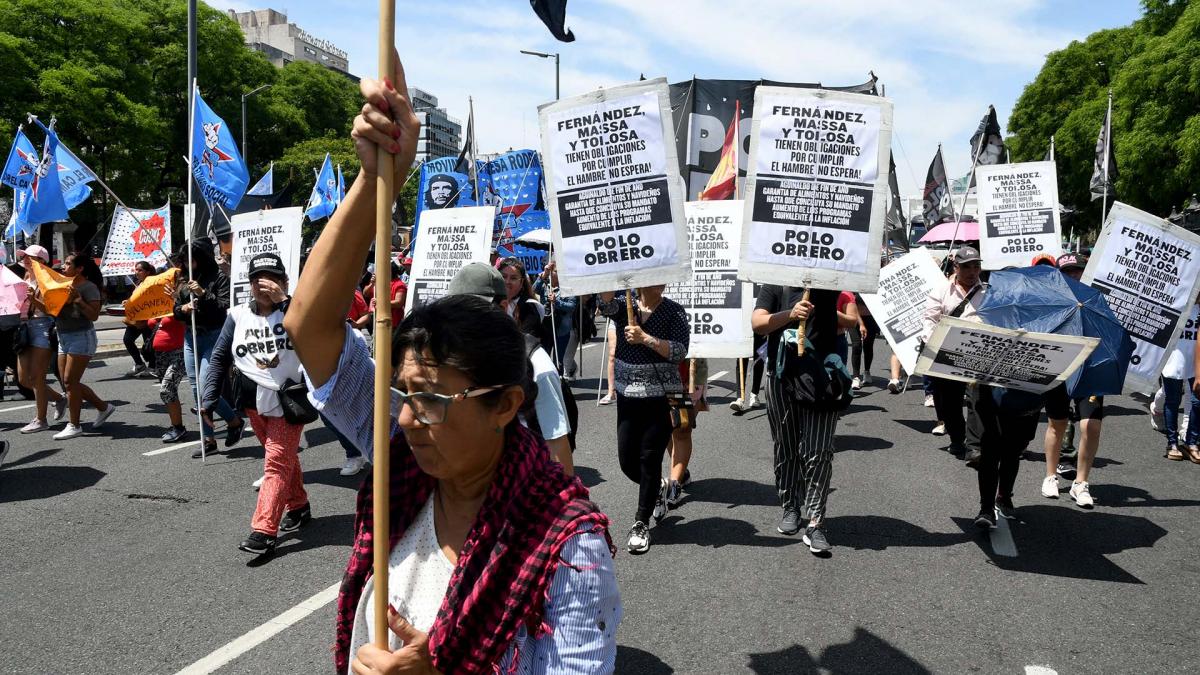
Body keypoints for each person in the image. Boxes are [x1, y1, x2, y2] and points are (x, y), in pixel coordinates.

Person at [285, 58, 619, 672]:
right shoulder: (402, 467)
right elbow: (308, 325)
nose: (408, 419)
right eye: (405, 393)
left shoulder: (568, 546)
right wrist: (376, 178)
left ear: (505, 404)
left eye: (434, 398)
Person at [204, 253, 311, 555]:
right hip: (253, 402)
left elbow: (315, 332)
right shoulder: (237, 315)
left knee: (275, 463)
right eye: (257, 279)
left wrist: (286, 301)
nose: (264, 285)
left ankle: (264, 530)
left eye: (273, 278)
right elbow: (220, 357)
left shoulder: (296, 311)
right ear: (249, 284)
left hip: (289, 401)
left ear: (284, 282)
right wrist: (209, 396)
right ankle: (300, 506)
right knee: (284, 456)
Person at [448, 262, 576, 476]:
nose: (463, 320)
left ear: (501, 307)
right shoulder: (450, 361)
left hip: (523, 488)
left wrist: (567, 505)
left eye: (473, 310)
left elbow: (557, 445)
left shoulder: (536, 365)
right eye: (455, 310)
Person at [753, 285, 849, 555]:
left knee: (818, 451)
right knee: (786, 445)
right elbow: (758, 323)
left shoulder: (832, 281)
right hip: (781, 376)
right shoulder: (776, 283)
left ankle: (816, 522)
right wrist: (790, 314)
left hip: (823, 376)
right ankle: (791, 506)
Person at [598, 285, 689, 554]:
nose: (655, 282)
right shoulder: (625, 306)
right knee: (627, 461)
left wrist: (646, 338)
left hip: (663, 396)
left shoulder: (674, 311)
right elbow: (604, 303)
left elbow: (679, 351)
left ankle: (641, 522)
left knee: (649, 458)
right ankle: (656, 488)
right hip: (628, 397)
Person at [1039, 253, 1109, 506]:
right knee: (1057, 423)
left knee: (1091, 425)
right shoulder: (1050, 300)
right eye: (1067, 272)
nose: (1073, 276)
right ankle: (1050, 475)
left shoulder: (1097, 299)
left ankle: (1081, 483)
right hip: (1060, 367)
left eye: (1077, 271)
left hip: (1090, 369)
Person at [174, 242, 245, 458]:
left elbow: (224, 308)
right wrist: (183, 308)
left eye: (192, 259)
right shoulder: (182, 279)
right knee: (197, 390)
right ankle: (210, 438)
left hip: (214, 335)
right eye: (185, 260)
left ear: (201, 257)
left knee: (206, 388)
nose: (188, 264)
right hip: (191, 337)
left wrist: (204, 294)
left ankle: (233, 421)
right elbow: (175, 310)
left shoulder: (219, 277)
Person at [922, 245, 985, 461]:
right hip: (947, 353)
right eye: (967, 266)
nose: (972, 271)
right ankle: (958, 438)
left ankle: (974, 445)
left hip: (977, 354)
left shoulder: (988, 292)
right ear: (956, 267)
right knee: (948, 401)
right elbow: (930, 321)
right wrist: (936, 345)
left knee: (978, 399)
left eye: (976, 266)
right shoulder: (940, 291)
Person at [52, 253, 116, 440]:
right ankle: (104, 407)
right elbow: (52, 311)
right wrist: (35, 300)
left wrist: (78, 300)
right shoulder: (62, 285)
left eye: (67, 263)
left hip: (81, 336)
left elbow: (94, 316)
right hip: (63, 336)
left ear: (79, 269)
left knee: (70, 382)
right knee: (68, 383)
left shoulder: (89, 288)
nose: (63, 266)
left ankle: (74, 425)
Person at [15, 246, 67, 434]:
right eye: (26, 256)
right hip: (24, 327)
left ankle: (40, 419)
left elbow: (52, 310)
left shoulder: (48, 280)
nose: (27, 259)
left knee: (37, 377)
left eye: (32, 257)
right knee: (23, 379)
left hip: (42, 327)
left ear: (43, 261)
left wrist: (33, 300)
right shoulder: (24, 278)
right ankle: (60, 399)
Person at [666, 358, 707, 507]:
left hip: (690, 372)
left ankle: (674, 483)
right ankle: (680, 472)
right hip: (657, 372)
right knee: (668, 426)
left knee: (681, 429)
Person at [149, 311, 188, 443]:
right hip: (160, 355)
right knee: (170, 394)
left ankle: (178, 427)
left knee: (167, 390)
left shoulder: (176, 302)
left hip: (178, 352)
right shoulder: (156, 305)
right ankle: (176, 426)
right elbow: (138, 324)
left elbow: (185, 320)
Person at [534, 260, 576, 373]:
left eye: (554, 271)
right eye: (550, 271)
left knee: (558, 360)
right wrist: (544, 274)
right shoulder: (544, 284)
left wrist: (556, 302)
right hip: (546, 328)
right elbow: (533, 290)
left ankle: (559, 382)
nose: (552, 273)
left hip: (562, 329)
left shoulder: (567, 287)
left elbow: (572, 306)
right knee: (545, 358)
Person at [121, 261, 157, 377]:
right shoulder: (139, 283)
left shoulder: (152, 283)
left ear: (147, 272)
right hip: (136, 319)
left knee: (149, 344)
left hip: (147, 319)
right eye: (136, 270)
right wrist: (128, 301)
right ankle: (139, 364)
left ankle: (153, 367)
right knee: (127, 340)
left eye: (140, 270)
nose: (137, 272)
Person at [498, 257, 544, 340]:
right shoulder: (490, 302)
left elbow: (525, 342)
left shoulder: (530, 307)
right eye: (503, 276)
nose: (507, 281)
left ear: (521, 282)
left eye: (513, 278)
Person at [848, 292, 880, 390]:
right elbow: (852, 304)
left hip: (871, 319)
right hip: (855, 318)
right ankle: (856, 377)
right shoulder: (854, 287)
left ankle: (867, 371)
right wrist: (861, 323)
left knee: (868, 345)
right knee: (856, 345)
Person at [730, 334, 767, 412]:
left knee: (759, 360)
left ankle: (754, 394)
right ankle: (740, 398)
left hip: (758, 329)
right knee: (741, 360)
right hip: (743, 330)